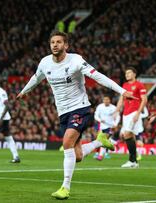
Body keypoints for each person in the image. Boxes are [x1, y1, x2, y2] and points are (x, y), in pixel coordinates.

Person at [17, 31, 134, 200]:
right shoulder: (45, 63)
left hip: (80, 108)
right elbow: (36, 78)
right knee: (77, 156)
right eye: (52, 42)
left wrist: (122, 91)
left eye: (59, 42)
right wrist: (23, 92)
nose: (55, 45)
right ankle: (99, 141)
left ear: (66, 45)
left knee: (66, 143)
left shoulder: (76, 60)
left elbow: (99, 76)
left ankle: (65, 187)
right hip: (62, 112)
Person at [115, 68, 148, 168]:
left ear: (134, 74)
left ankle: (132, 161)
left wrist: (138, 113)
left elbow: (144, 100)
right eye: (126, 73)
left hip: (134, 112)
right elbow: (121, 99)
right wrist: (117, 110)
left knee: (127, 134)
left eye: (129, 73)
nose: (127, 74)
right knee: (128, 136)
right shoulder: (125, 85)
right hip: (125, 113)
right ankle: (133, 161)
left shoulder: (139, 85)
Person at [93, 95, 120, 161]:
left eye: (107, 100)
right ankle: (114, 143)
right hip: (102, 126)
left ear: (109, 100)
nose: (106, 101)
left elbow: (118, 116)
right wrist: (99, 120)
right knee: (101, 140)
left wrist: (115, 124)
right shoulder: (100, 107)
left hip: (110, 126)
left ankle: (101, 155)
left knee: (103, 140)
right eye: (105, 100)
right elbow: (96, 115)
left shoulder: (113, 107)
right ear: (103, 100)